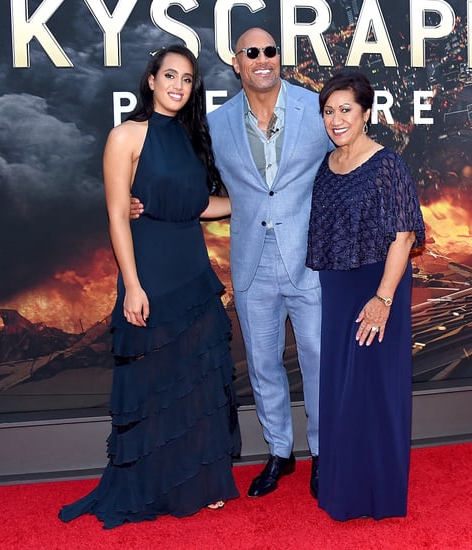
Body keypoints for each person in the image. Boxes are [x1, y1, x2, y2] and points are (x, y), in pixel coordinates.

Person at [131, 28, 333, 498]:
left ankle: (323, 454)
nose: (263, 59)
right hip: (251, 266)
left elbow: (348, 160)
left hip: (310, 264)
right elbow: (188, 184)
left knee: (318, 362)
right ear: (237, 63)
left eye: (270, 51)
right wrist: (136, 203)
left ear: (279, 58)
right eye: (251, 53)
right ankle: (281, 454)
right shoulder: (216, 123)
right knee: (263, 366)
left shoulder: (314, 108)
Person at [59, 45, 240, 529]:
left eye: (187, 79)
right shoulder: (125, 136)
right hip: (151, 274)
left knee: (195, 381)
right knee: (157, 382)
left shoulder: (188, 138)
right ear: (152, 80)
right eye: (170, 76)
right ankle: (153, 484)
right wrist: (132, 286)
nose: (178, 85)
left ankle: (197, 483)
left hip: (193, 271)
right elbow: (118, 215)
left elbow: (199, 206)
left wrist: (254, 199)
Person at [306, 69, 425, 521]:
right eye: (329, 111)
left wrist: (384, 298)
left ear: (366, 113)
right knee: (340, 388)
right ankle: (344, 489)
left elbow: (403, 235)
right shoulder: (328, 164)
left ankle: (377, 493)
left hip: (379, 285)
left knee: (373, 389)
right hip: (337, 287)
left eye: (346, 110)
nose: (336, 119)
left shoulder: (387, 164)